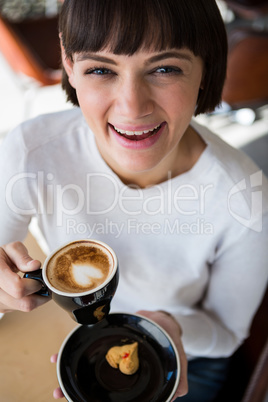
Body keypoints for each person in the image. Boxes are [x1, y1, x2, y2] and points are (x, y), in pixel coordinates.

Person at [0, 0, 267, 401]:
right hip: (78, 331)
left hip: (187, 352)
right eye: (101, 69)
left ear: (208, 67)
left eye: (164, 68)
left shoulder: (246, 198)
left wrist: (170, 326)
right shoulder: (31, 152)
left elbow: (227, 334)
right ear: (69, 64)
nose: (131, 107)